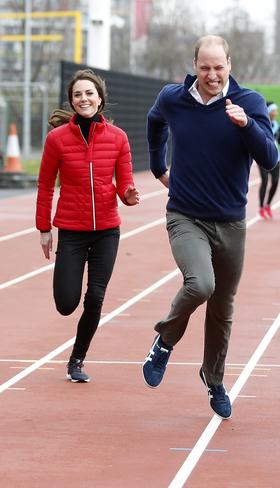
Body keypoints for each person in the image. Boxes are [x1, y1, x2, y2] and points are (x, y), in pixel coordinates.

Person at [142, 35, 278, 419]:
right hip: (185, 215)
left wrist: (246, 125)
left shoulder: (248, 102)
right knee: (201, 284)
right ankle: (164, 341)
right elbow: (155, 122)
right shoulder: (175, 98)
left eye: (219, 67)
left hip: (231, 222)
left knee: (222, 305)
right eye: (205, 67)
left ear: (230, 65)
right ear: (195, 66)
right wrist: (158, 166)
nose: (212, 75)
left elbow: (269, 158)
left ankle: (213, 378)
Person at [35, 69, 140, 383]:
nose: (84, 98)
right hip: (71, 229)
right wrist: (44, 228)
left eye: (89, 93)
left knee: (95, 297)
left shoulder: (118, 138)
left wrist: (130, 195)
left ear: (100, 99)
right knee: (67, 303)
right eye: (78, 94)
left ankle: (76, 359)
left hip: (107, 229)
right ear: (72, 100)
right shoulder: (56, 140)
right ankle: (74, 340)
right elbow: (44, 186)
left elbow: (125, 184)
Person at [258, 102, 280, 219]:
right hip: (263, 155)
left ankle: (268, 204)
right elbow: (264, 136)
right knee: (264, 181)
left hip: (276, 156)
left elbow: (278, 141)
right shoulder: (262, 122)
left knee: (275, 182)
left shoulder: (276, 124)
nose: (276, 113)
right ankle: (261, 207)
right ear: (268, 111)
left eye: (276, 111)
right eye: (274, 110)